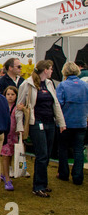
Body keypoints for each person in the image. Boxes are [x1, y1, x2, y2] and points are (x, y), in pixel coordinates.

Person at [16, 60, 66, 198]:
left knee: (47, 154)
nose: (51, 71)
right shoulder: (27, 84)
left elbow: (55, 104)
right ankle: (38, 186)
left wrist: (61, 122)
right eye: (50, 69)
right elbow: (19, 107)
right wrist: (20, 126)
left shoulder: (49, 83)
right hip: (36, 122)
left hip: (50, 122)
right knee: (42, 154)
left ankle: (42, 183)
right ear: (45, 70)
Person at [56, 62, 88, 185]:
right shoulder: (85, 86)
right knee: (78, 150)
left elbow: (59, 104)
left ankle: (63, 174)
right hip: (81, 122)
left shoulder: (62, 85)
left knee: (63, 149)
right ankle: (78, 176)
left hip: (65, 123)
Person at [1, 86, 20, 191]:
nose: (10, 97)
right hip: (4, 135)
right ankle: (7, 178)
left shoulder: (17, 107)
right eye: (8, 94)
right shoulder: (2, 106)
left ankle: (5, 173)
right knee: (5, 156)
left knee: (10, 155)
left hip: (14, 135)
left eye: (12, 94)